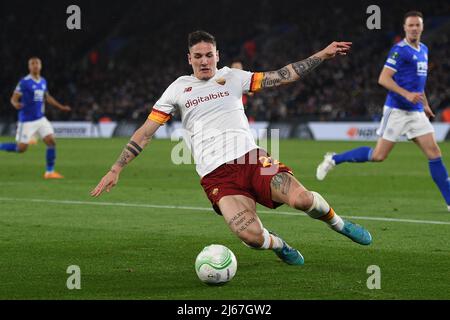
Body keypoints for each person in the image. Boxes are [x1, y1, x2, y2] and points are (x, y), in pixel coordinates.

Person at [91, 31, 372, 266]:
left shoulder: (234, 77)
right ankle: (278, 244)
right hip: (217, 177)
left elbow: (282, 76)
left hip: (253, 159)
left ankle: (340, 225)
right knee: (252, 237)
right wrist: (116, 168)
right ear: (189, 59)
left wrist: (321, 55)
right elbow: (146, 132)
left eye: (209, 55)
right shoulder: (177, 89)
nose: (204, 61)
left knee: (303, 201)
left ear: (218, 55)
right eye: (198, 56)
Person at [316, 11, 450, 211]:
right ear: (405, 28)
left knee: (434, 153)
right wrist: (406, 95)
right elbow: (384, 78)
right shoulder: (399, 50)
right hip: (396, 110)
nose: (414, 28)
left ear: (422, 27)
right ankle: (334, 159)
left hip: (415, 111)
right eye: (410, 25)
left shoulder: (424, 49)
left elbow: (418, 82)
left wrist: (426, 104)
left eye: (417, 25)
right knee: (379, 156)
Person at [0, 57, 71, 179]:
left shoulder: (43, 81)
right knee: (21, 148)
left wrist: (61, 107)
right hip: (26, 120)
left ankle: (49, 172)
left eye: (37, 63)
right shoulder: (24, 82)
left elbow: (47, 97)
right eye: (32, 64)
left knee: (51, 142)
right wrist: (15, 104)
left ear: (41, 66)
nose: (35, 65)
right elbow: (13, 98)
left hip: (40, 119)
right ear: (29, 67)